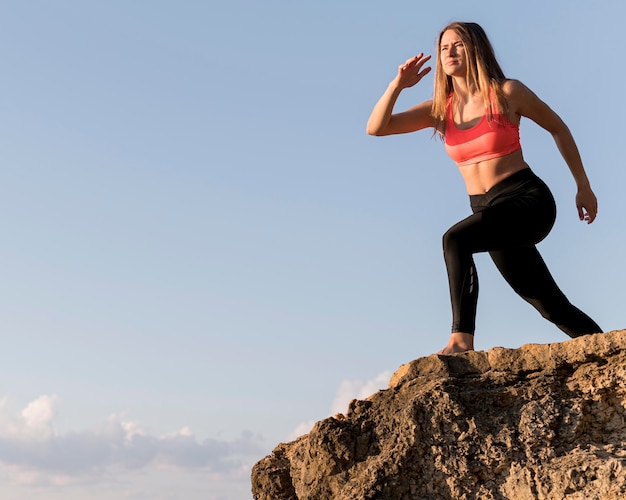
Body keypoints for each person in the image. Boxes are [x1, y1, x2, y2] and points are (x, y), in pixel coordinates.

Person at [366, 21, 602, 354]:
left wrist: (583, 186)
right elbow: (377, 128)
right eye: (444, 47)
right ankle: (616, 353)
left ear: (476, 49)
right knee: (550, 305)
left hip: (527, 200)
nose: (449, 52)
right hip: (488, 211)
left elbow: (558, 127)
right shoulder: (441, 110)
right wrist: (398, 85)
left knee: (455, 240)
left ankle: (461, 340)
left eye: (458, 45)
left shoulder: (507, 93)